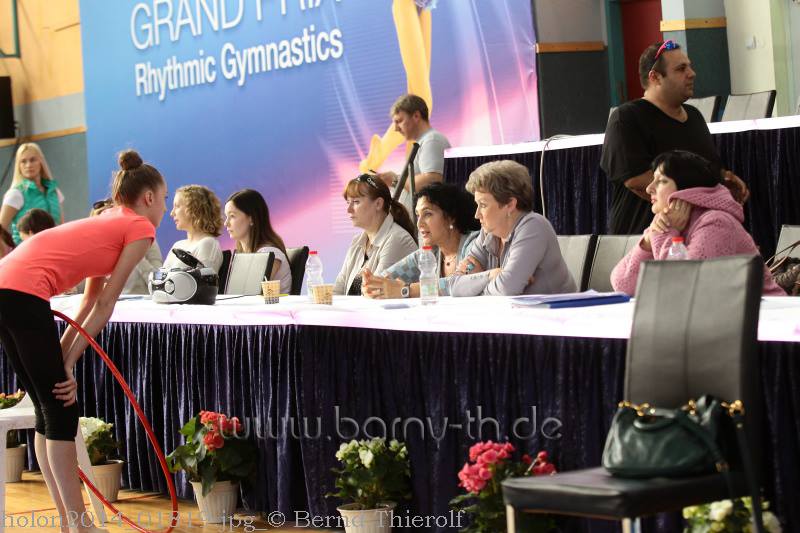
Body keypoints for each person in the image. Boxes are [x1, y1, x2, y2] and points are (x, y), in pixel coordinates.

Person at [0, 149, 167, 533]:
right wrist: (67, 362)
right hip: (24, 291)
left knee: (47, 410)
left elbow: (90, 301)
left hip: (7, 286)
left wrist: (65, 358)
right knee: (60, 411)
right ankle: (79, 525)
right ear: (148, 198)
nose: (164, 207)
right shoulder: (140, 228)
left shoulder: (108, 220)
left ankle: (69, 522)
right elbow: (107, 303)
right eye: (164, 197)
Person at [601, 40, 749, 235]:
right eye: (681, 69)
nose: (692, 73)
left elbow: (704, 169)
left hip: (698, 235)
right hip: (644, 239)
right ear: (655, 77)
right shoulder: (627, 118)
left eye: (689, 66)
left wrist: (723, 178)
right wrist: (701, 199)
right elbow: (636, 180)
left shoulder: (694, 116)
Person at [610, 150, 783, 296]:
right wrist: (647, 243)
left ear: (688, 188)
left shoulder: (716, 222)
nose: (649, 188)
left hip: (766, 318)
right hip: (719, 318)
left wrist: (665, 234)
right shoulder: (667, 221)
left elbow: (686, 289)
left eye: (661, 181)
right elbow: (622, 284)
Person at [449, 160, 576, 296]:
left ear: (510, 204)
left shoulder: (534, 227)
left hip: (559, 309)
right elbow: (454, 286)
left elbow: (506, 289)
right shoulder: (488, 233)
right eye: (477, 205)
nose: (476, 214)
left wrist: (475, 288)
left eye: (483, 205)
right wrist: (491, 275)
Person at [361, 182, 479, 298]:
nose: (419, 224)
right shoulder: (429, 253)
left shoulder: (474, 245)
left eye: (427, 214)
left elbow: (458, 283)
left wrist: (406, 290)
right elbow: (383, 280)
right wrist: (371, 285)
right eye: (418, 215)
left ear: (451, 217)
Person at [334, 174, 418, 295]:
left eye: (356, 202)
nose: (349, 210)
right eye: (348, 202)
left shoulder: (397, 240)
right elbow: (339, 289)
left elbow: (375, 294)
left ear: (378, 203)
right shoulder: (357, 241)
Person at [374, 94, 451, 213]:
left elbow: (432, 180)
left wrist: (395, 180)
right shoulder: (425, 141)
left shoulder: (432, 140)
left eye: (399, 121)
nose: (396, 128)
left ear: (416, 116)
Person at [224, 189, 292, 294]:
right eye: (226, 217)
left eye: (232, 216)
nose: (226, 223)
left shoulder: (269, 253)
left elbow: (249, 293)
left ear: (252, 219)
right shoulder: (243, 254)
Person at [90, 198, 163, 295]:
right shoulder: (97, 249)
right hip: (110, 301)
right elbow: (86, 285)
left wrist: (136, 255)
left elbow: (159, 281)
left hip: (141, 301)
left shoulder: (147, 240)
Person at [1, 143, 65, 244]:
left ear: (41, 161)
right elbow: (1, 229)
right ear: (18, 166)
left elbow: (62, 225)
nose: (28, 165)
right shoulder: (15, 194)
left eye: (33, 160)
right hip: (25, 250)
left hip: (53, 247)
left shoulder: (54, 191)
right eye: (23, 161)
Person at [163, 185, 223, 273]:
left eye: (177, 206)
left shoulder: (208, 243)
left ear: (194, 208)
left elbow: (204, 281)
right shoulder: (178, 245)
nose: (172, 213)